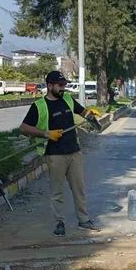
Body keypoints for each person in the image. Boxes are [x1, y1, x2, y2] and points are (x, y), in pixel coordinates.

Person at [20, 71, 102, 236]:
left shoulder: (68, 99)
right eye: (60, 85)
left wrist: (90, 115)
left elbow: (82, 112)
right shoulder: (39, 106)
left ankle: (83, 220)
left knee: (79, 188)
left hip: (74, 152)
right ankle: (59, 222)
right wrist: (46, 134)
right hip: (54, 154)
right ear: (49, 86)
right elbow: (23, 128)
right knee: (57, 191)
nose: (63, 88)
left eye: (64, 84)